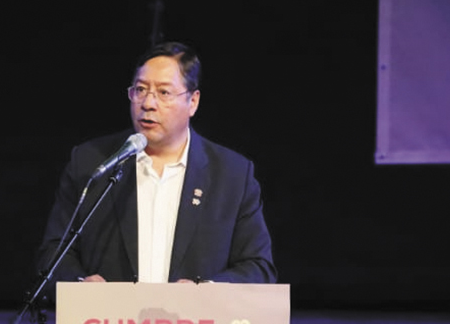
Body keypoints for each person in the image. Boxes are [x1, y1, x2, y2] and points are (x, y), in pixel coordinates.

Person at [37, 42, 276, 289]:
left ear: (192, 102)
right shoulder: (93, 163)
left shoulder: (232, 174)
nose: (148, 103)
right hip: (111, 323)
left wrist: (206, 290)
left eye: (163, 93)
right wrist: (80, 284)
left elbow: (258, 267)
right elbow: (54, 252)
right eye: (140, 90)